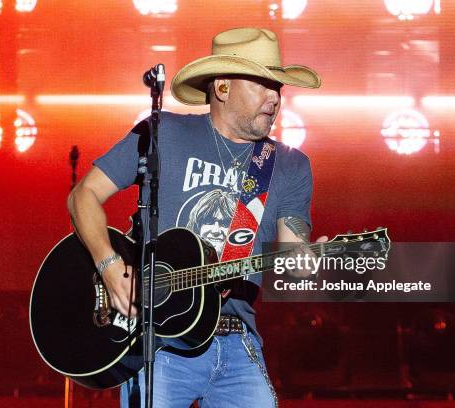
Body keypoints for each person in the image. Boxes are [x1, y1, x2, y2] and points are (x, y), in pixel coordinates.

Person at [67, 27, 326, 408]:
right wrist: (109, 265)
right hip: (159, 342)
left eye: (279, 88)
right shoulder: (163, 134)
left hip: (237, 341)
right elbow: (83, 195)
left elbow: (292, 253)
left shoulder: (288, 165)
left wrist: (306, 263)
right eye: (262, 85)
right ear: (222, 88)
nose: (275, 98)